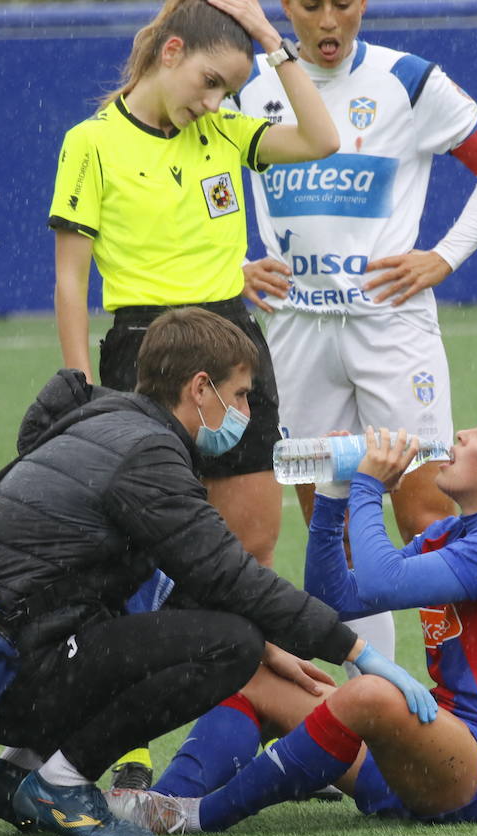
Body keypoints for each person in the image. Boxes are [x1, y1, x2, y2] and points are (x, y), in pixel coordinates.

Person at [0, 308, 433, 836]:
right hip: (12, 671)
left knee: (208, 630)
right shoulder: (150, 453)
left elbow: (184, 580)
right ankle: (60, 781)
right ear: (200, 388)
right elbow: (229, 574)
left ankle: (19, 768)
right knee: (230, 643)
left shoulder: (111, 421)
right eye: (240, 395)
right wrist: (356, 652)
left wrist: (276, 648)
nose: (248, 412)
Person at [106, 409, 477, 833]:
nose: (462, 433)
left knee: (370, 694)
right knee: (256, 673)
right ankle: (156, 806)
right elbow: (338, 599)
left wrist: (371, 486)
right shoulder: (454, 535)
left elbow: (381, 580)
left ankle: (198, 819)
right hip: (430, 754)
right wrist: (333, 495)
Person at [235, 0, 477, 667]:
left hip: (393, 327)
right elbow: (195, 178)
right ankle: (382, 703)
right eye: (311, 5)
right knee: (328, 533)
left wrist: (444, 256)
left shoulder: (411, 80)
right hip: (296, 332)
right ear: (287, 8)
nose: (329, 21)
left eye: (344, 3)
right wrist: (232, 265)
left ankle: (465, 707)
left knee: (426, 520)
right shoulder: (249, 85)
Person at [48, 0, 338, 570]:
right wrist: (79, 382)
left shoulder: (225, 131)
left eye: (226, 91)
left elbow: (321, 140)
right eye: (208, 82)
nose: (211, 102)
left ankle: (249, 658)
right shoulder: (91, 141)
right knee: (158, 559)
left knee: (251, 551)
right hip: (145, 352)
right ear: (170, 51)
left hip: (233, 343)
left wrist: (266, 36)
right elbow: (69, 278)